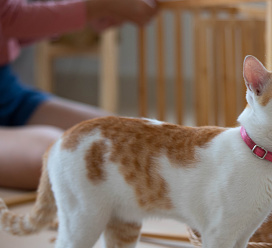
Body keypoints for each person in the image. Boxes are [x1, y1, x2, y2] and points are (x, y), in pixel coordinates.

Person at [0, 0, 159, 190]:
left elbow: (10, 27)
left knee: (127, 136)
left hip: (7, 91)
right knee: (62, 157)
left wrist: (90, 14)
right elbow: (9, 17)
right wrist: (101, 6)